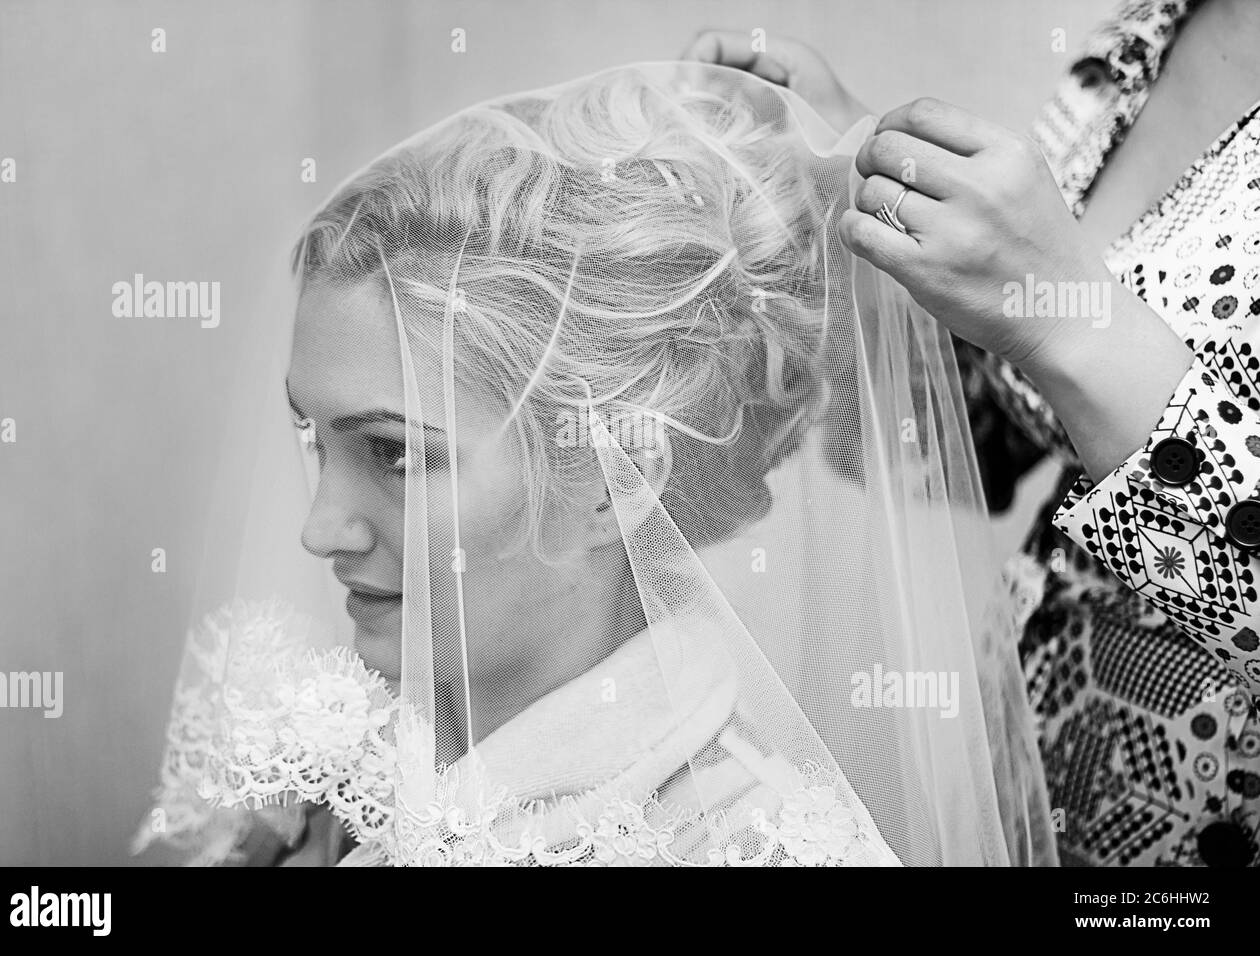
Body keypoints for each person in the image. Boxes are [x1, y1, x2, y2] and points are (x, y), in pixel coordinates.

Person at [134, 62, 1044, 866]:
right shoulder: (320, 764)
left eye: (395, 454)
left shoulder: (756, 849)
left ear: (621, 481)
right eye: (312, 441)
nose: (317, 529)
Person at [686, 0, 1260, 866]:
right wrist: (867, 182)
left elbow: (1069, 338)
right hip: (1020, 785)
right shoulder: (1149, 29)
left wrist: (1075, 326)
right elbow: (992, 441)